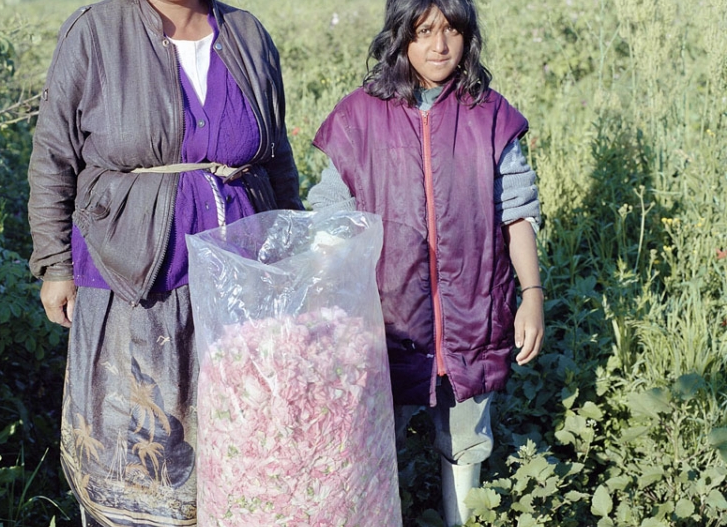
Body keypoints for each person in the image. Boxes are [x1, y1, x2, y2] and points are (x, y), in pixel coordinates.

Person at [27, 0, 302, 525]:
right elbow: (54, 154)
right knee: (132, 431)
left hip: (238, 273)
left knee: (233, 423)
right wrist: (56, 262)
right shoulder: (95, 31)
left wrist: (290, 247)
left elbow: (277, 153)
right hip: (128, 272)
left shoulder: (246, 32)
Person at [307, 0, 544, 525]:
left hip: (473, 312)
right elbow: (329, 215)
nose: (440, 46)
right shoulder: (359, 116)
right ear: (400, 37)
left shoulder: (490, 114)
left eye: (452, 30)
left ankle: (460, 518)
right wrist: (320, 303)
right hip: (385, 317)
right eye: (424, 31)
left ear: (468, 36)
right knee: (372, 435)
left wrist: (532, 295)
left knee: (465, 436)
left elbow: (517, 211)